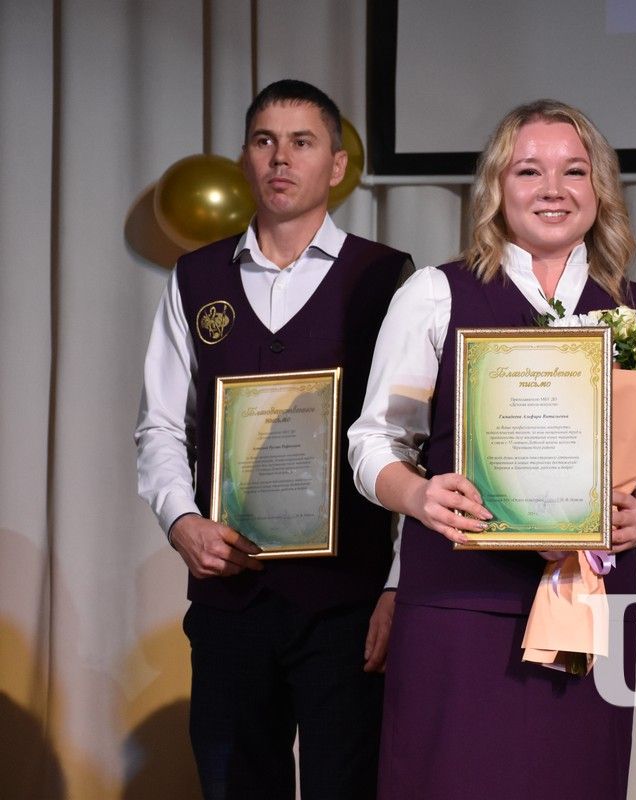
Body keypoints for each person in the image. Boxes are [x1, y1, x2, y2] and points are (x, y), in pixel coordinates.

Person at [347, 99, 636, 799]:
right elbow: (374, 440)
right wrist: (419, 494)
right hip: (458, 604)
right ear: (496, 189)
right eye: (529, 170)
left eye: (573, 171)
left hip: (588, 610)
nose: (553, 189)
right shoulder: (435, 295)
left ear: (599, 190)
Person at [134, 79, 411, 799]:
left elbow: (415, 444)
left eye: (302, 142)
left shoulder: (387, 279)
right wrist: (181, 521)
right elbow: (162, 425)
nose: (280, 158)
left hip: (346, 606)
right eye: (264, 141)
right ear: (244, 159)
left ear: (338, 165)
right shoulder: (194, 279)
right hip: (230, 601)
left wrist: (396, 586)